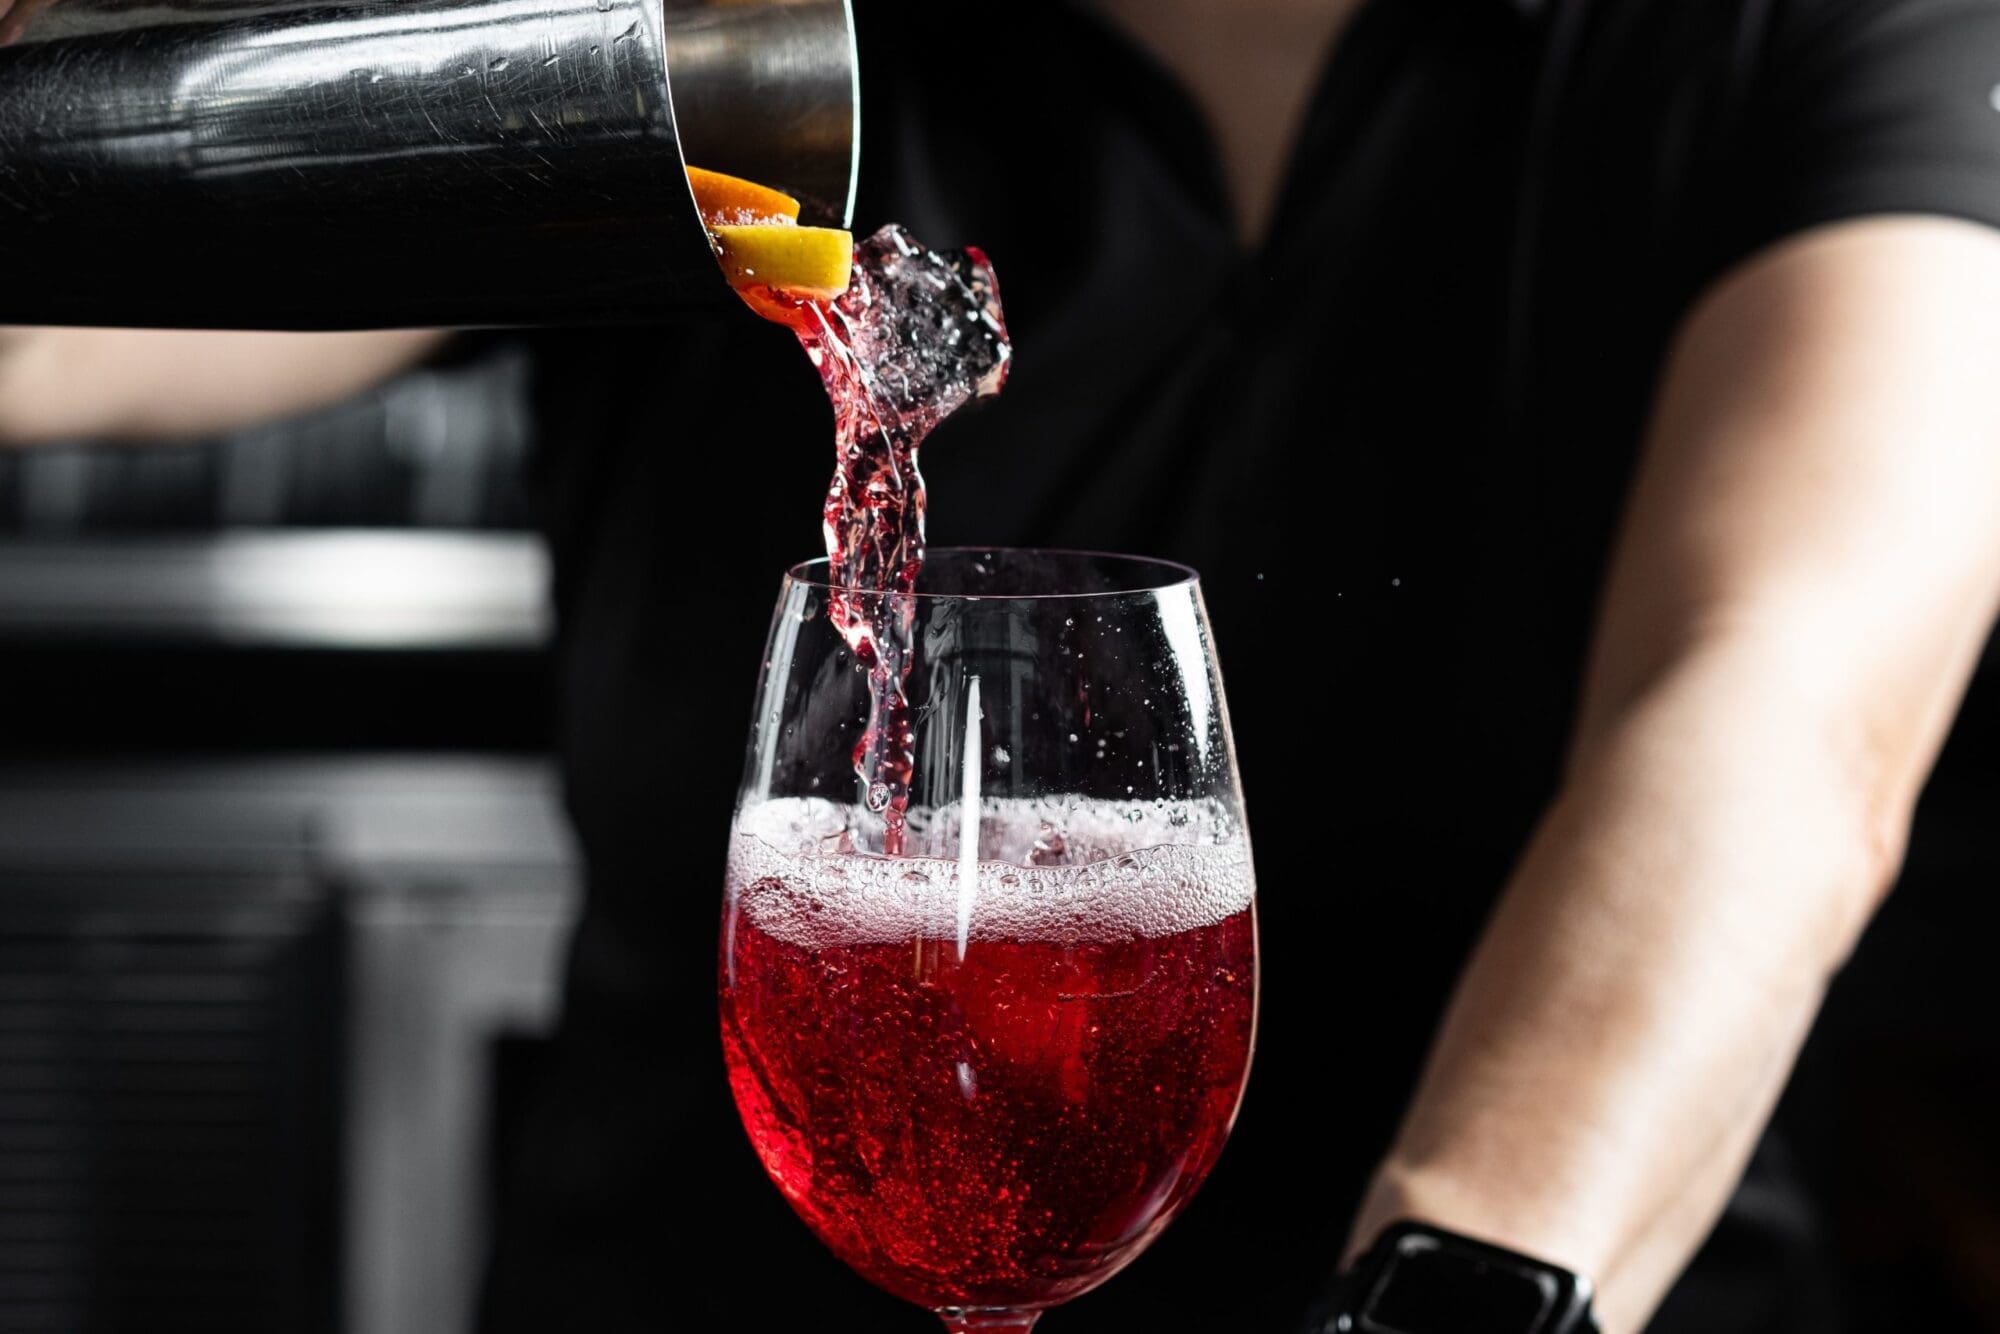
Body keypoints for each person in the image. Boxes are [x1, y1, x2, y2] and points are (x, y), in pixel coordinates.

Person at [6, 0, 2000, 1328]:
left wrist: (1457, 1288)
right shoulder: (727, 63)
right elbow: (74, 304)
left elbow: (1779, 704)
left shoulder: (1811, 37)